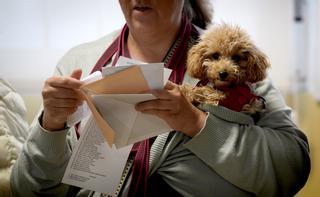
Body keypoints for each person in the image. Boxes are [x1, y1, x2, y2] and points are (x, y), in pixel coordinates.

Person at [11, 0, 310, 196]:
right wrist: (50, 125)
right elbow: (27, 188)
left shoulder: (235, 67)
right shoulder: (79, 63)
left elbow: (292, 169)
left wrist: (196, 123)